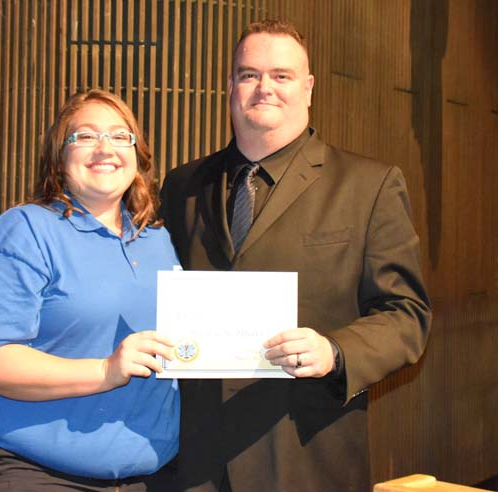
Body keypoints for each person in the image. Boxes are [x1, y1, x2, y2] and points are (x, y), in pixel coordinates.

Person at [160, 19, 432, 492]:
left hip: (306, 457)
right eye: (249, 74)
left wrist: (335, 350)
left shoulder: (369, 186)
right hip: (195, 461)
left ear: (307, 89)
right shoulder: (183, 186)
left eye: (281, 76)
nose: (264, 87)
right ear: (230, 88)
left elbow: (407, 315)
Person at [0, 89, 181, 491]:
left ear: (138, 155)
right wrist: (105, 371)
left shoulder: (158, 241)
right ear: (60, 156)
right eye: (86, 136)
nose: (104, 148)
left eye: (119, 136)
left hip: (153, 477)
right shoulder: (23, 232)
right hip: (37, 474)